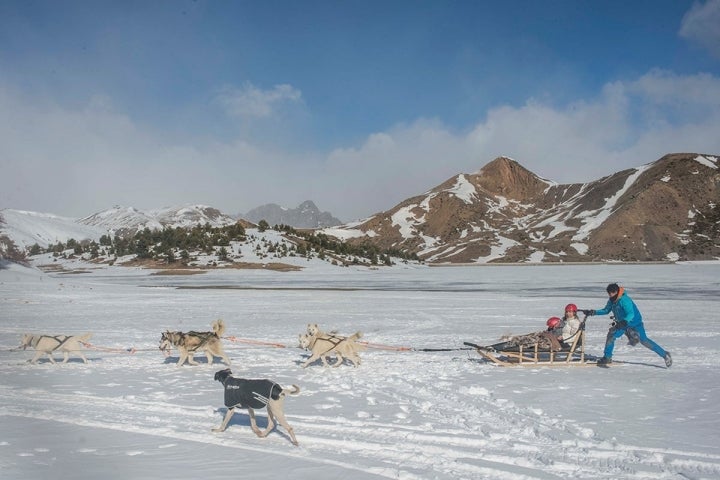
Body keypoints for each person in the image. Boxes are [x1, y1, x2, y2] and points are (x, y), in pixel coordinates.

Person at [585, 283, 672, 368]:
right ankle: (607, 357)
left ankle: (665, 354)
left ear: (616, 291)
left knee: (644, 341)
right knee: (611, 334)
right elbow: (606, 310)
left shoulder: (625, 300)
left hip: (635, 323)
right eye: (609, 293)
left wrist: (624, 321)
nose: (610, 295)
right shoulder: (611, 301)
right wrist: (593, 312)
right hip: (623, 324)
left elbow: (630, 314)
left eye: (612, 293)